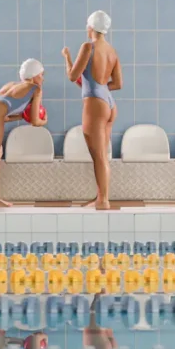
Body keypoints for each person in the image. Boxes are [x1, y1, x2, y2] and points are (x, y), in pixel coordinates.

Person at [62, 11, 122, 210]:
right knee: (102, 155)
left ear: (91, 27)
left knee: (99, 157)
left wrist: (67, 57)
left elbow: (72, 76)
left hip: (95, 105)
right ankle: (100, 197)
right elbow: (117, 84)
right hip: (109, 103)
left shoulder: (88, 47)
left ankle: (103, 201)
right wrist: (97, 89)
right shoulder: (112, 51)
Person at [0, 59, 46, 207]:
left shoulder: (12, 85)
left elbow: (1, 114)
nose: (42, 79)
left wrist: (21, 116)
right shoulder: (35, 89)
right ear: (35, 75)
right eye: (42, 75)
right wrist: (44, 120)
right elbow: (36, 121)